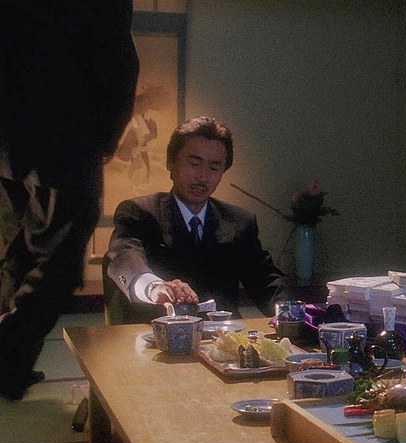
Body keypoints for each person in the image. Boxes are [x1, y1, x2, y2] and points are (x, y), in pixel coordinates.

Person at [0, 1, 139, 400]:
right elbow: (119, 64)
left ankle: (12, 366)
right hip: (67, 136)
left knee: (21, 252)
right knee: (60, 264)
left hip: (11, 139)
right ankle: (8, 356)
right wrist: (107, 137)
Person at [105, 116, 289, 323]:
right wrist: (153, 287)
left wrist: (296, 313)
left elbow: (266, 282)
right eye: (194, 163)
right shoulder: (139, 213)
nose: (202, 177)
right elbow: (124, 258)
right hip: (157, 335)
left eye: (214, 168)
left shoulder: (239, 221)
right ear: (170, 162)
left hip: (224, 336)